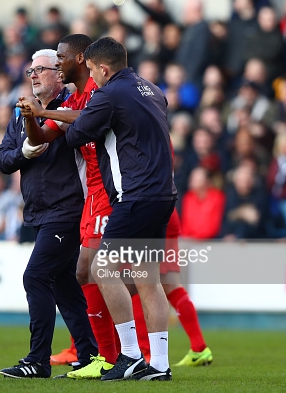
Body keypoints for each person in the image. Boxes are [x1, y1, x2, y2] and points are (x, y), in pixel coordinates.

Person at [65, 37, 176, 381]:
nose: (92, 79)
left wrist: (45, 114)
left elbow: (76, 136)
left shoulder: (108, 94)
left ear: (103, 68)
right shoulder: (152, 89)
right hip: (164, 195)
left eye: (93, 72)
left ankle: (128, 354)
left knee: (102, 268)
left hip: (135, 195)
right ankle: (159, 363)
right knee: (147, 279)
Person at [18, 33, 120, 379]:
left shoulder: (100, 94)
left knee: (119, 277)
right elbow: (41, 137)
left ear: (80, 59)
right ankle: (101, 355)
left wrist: (44, 110)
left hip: (106, 192)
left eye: (60, 58)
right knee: (80, 277)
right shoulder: (76, 100)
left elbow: (90, 121)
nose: (58, 64)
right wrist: (33, 116)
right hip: (89, 198)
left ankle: (124, 356)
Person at [0, 48, 98, 379]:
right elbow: (3, 160)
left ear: (59, 73)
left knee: (36, 277)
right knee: (64, 285)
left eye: (41, 70)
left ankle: (37, 360)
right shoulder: (21, 112)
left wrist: (32, 130)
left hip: (66, 208)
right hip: (40, 212)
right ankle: (90, 353)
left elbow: (58, 138)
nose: (34, 75)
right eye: (31, 71)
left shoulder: (70, 108)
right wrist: (24, 150)